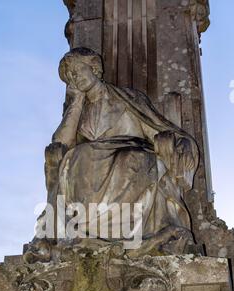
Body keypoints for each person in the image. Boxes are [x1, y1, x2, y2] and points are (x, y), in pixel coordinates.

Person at [25, 48, 199, 263]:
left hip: (131, 154)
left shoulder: (129, 99)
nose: (74, 77)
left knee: (128, 159)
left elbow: (157, 130)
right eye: (70, 76)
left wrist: (175, 144)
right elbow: (61, 142)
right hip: (88, 162)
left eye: (78, 70)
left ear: (95, 69)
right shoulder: (79, 111)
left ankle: (117, 236)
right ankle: (82, 234)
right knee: (73, 157)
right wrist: (77, 102)